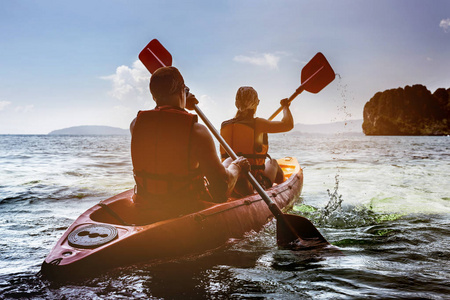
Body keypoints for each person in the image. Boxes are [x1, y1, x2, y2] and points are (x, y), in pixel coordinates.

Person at [129, 66, 249, 220]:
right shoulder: (197, 132)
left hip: (147, 203)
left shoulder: (136, 124)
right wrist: (237, 167)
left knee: (228, 161)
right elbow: (221, 190)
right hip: (185, 209)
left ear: (154, 96)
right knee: (231, 161)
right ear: (182, 91)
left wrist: (181, 100)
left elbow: (164, 119)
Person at [220, 86, 294, 196]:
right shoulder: (258, 124)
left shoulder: (225, 125)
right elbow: (288, 124)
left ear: (237, 103)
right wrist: (285, 107)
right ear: (255, 104)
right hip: (254, 184)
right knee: (273, 162)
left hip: (230, 179)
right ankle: (285, 187)